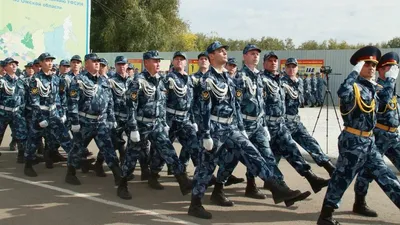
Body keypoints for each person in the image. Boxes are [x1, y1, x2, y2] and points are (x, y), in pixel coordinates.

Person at [188, 42, 304, 219]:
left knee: (252, 153)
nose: (225, 52)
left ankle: (277, 188)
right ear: (211, 56)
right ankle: (195, 204)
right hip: (215, 128)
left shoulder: (227, 77)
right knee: (206, 167)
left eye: (225, 50)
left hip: (231, 126)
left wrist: (241, 128)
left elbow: (235, 107)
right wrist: (205, 134)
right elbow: (202, 109)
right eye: (220, 51)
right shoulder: (207, 80)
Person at [214, 45, 311, 207]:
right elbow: (235, 105)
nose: (255, 56)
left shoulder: (259, 77)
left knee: (268, 157)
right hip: (243, 125)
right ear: (244, 56)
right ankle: (218, 189)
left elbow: (262, 103)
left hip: (258, 125)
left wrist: (264, 124)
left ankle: (282, 190)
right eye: (252, 54)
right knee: (231, 158)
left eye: (257, 54)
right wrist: (240, 128)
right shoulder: (239, 77)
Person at [317, 46, 400, 225]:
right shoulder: (353, 86)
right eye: (367, 64)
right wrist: (353, 74)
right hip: (352, 142)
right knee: (341, 180)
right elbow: (343, 93)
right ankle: (325, 216)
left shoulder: (373, 88)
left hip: (369, 142)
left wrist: (390, 81)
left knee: (387, 177)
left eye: (373, 65)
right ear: (358, 67)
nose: (371, 67)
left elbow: (386, 99)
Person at [116, 50, 192, 200]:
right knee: (131, 156)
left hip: (157, 125)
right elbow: (131, 106)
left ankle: (183, 182)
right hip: (141, 125)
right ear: (146, 63)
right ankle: (122, 185)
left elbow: (162, 103)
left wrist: (164, 123)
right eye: (154, 61)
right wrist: (133, 128)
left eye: (159, 61)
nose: (158, 63)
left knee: (169, 152)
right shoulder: (138, 81)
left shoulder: (161, 80)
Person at [352, 51, 400, 217]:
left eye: (394, 67)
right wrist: (391, 80)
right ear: (380, 70)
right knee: (368, 172)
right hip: (378, 136)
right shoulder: (376, 88)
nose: (392, 70)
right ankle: (359, 202)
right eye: (388, 67)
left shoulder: (391, 88)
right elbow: (383, 103)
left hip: (393, 136)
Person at [24, 53, 81, 185]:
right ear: (41, 63)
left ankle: (72, 170)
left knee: (66, 140)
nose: (49, 63)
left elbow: (61, 97)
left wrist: (62, 113)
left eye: (50, 61)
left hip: (54, 114)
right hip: (40, 115)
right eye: (47, 61)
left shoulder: (57, 79)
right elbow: (34, 101)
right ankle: (28, 165)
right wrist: (40, 118)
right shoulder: (35, 80)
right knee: (33, 141)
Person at [68, 53, 123, 186]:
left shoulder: (104, 81)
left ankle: (119, 178)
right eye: (94, 61)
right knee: (77, 149)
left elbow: (109, 101)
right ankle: (70, 173)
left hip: (101, 123)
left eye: (98, 61)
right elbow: (72, 103)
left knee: (109, 150)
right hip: (84, 122)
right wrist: (74, 122)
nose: (97, 63)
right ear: (86, 64)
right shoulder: (78, 80)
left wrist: (111, 118)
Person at [282, 58, 335, 176]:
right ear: (285, 68)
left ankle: (329, 167)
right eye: (289, 67)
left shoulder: (299, 81)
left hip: (295, 121)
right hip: (283, 123)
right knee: (278, 151)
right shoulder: (281, 82)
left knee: (311, 143)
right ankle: (268, 179)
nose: (291, 69)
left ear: (297, 68)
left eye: (293, 67)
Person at [0, 58, 27, 162]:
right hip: (3, 113)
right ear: (5, 67)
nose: (14, 66)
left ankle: (21, 155)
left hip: (17, 113)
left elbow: (24, 97)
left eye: (15, 64)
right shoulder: (2, 81)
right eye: (11, 64)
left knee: (21, 134)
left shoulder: (21, 81)